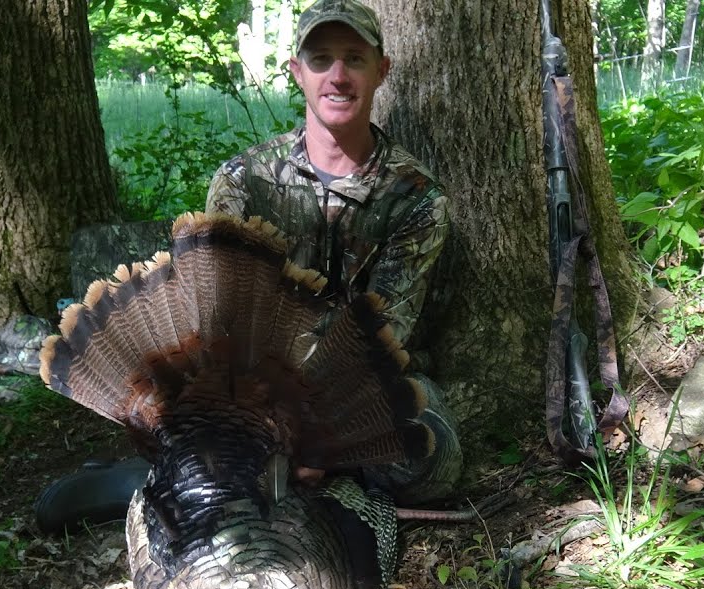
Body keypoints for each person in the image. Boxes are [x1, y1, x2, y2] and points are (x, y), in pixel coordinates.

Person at [34, 0, 460, 534]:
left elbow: (387, 331)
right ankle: (146, 477)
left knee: (430, 459)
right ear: (296, 72)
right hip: (244, 389)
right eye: (321, 59)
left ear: (382, 70)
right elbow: (213, 320)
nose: (338, 75)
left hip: (351, 388)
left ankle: (227, 472)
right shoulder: (244, 178)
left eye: (354, 58)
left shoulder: (414, 197)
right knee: (223, 436)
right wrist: (266, 421)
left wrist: (313, 434)